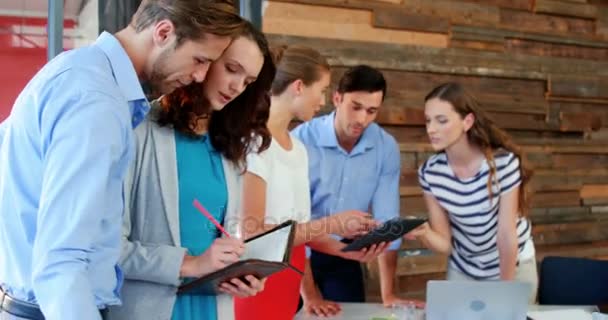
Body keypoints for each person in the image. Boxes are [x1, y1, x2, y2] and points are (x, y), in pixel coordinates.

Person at [0, 1, 244, 319]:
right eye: (199, 60)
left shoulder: (75, 71)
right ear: (163, 32)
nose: (199, 76)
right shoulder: (97, 100)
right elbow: (61, 262)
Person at [106, 21, 274, 320]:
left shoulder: (229, 148)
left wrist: (236, 275)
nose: (237, 87)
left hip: (211, 308)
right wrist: (189, 264)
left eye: (248, 81)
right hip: (148, 310)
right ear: (206, 59)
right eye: (232, 69)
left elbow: (216, 245)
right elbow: (107, 247)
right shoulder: (139, 129)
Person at [233, 47, 384, 320]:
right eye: (323, 90)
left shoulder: (298, 149)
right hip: (256, 288)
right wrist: (333, 223)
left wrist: (346, 251)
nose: (324, 100)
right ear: (299, 86)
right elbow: (252, 232)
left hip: (289, 288)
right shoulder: (253, 144)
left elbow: (298, 232)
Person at [291, 65, 422, 316]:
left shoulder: (385, 147)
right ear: (337, 98)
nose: (362, 119)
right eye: (356, 107)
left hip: (345, 254)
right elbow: (294, 224)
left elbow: (387, 222)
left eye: (372, 111)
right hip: (298, 253)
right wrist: (310, 295)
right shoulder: (301, 141)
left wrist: (388, 294)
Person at [410, 82, 537, 303]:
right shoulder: (430, 173)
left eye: (442, 120)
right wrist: (424, 232)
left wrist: (505, 291)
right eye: (428, 120)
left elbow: (506, 235)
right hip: (464, 269)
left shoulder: (503, 164)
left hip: (512, 265)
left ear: (467, 121)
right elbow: (445, 244)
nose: (431, 129)